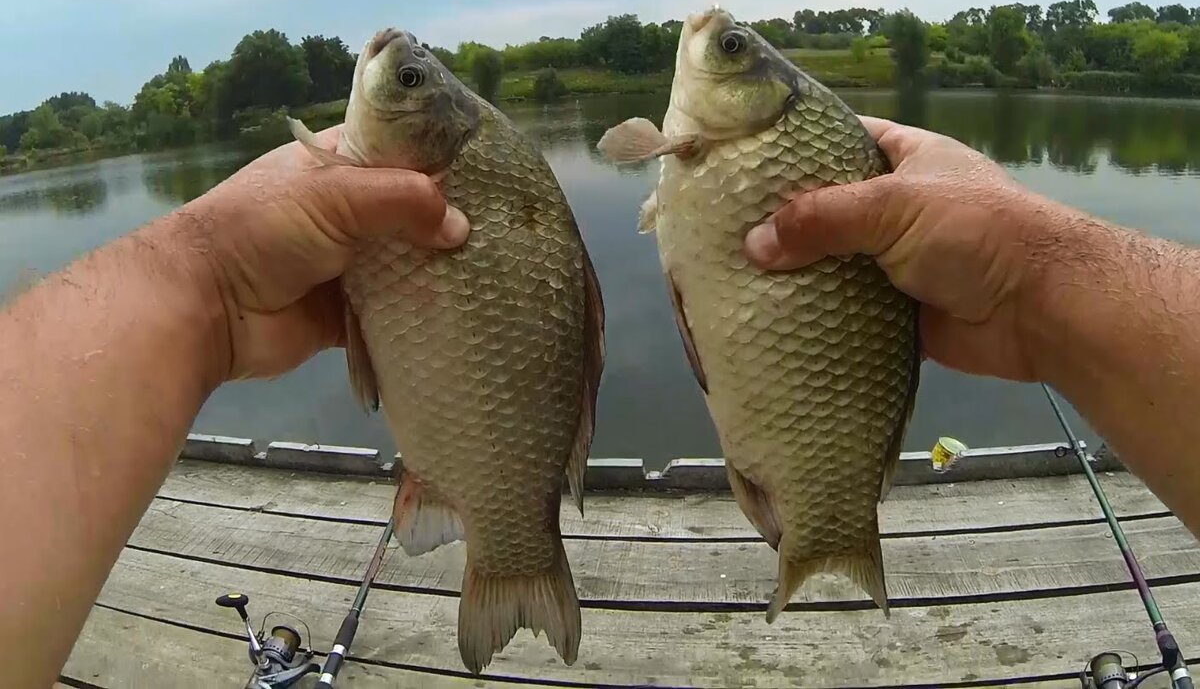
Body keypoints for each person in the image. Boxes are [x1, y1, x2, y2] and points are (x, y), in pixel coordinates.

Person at [0, 115, 1195, 686]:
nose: (392, 69)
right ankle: (518, 553)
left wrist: (198, 282)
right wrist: (206, 281)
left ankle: (547, 549)